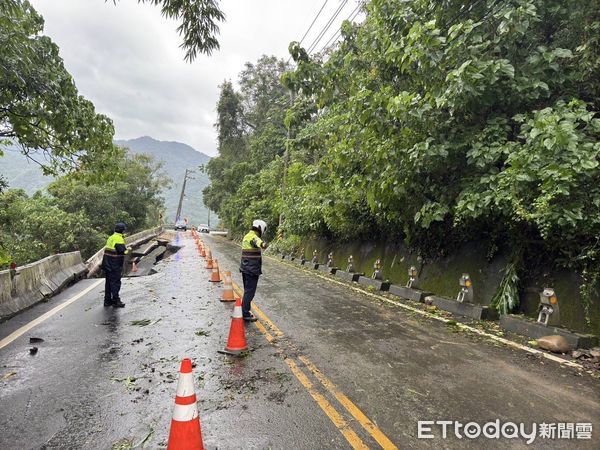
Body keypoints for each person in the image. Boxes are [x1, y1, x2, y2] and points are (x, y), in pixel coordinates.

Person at [240, 219, 268, 321]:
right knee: (250, 292)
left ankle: (244, 310)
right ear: (260, 228)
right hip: (252, 270)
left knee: (247, 291)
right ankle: (245, 313)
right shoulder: (253, 237)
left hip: (245, 268)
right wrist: (263, 245)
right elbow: (257, 242)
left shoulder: (246, 236)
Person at [102, 222, 129, 307]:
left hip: (107, 263)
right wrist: (128, 249)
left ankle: (107, 301)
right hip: (115, 264)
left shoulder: (111, 237)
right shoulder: (119, 239)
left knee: (109, 283)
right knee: (115, 282)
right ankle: (116, 301)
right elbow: (122, 251)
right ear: (122, 231)